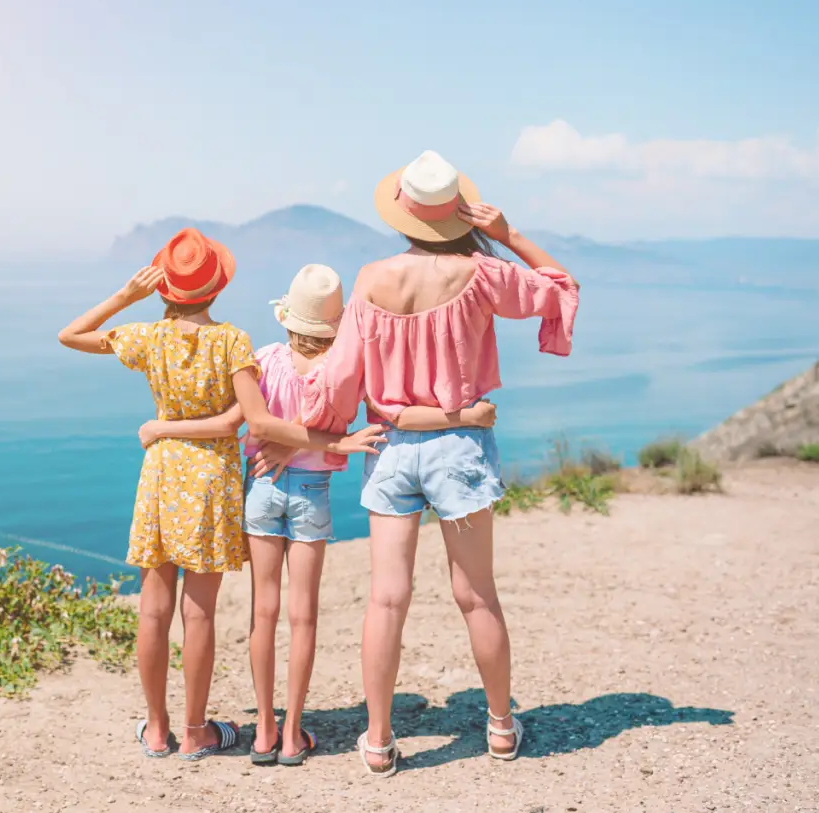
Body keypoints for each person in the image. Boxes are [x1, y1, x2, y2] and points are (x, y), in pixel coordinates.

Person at [141, 262, 498, 766]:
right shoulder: (345, 371)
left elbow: (250, 421)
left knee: (263, 612)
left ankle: (263, 732)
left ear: (288, 319)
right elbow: (384, 412)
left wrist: (173, 428)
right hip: (313, 492)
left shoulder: (262, 359)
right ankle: (292, 736)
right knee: (303, 616)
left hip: (261, 486)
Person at [298, 150, 581, 776]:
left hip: (392, 448)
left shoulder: (371, 278)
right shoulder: (483, 272)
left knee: (386, 599)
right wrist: (509, 236)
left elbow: (341, 377)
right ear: (458, 215)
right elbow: (560, 289)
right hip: (460, 447)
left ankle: (377, 741)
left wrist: (325, 427)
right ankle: (502, 729)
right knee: (477, 596)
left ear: (402, 215)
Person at [57, 230, 385, 762]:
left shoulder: (148, 337)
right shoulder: (233, 342)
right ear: (216, 288)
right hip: (209, 480)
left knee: (152, 611)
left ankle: (158, 731)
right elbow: (244, 420)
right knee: (200, 615)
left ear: (163, 288)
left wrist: (126, 297)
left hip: (161, 477)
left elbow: (71, 335)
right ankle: (195, 731)